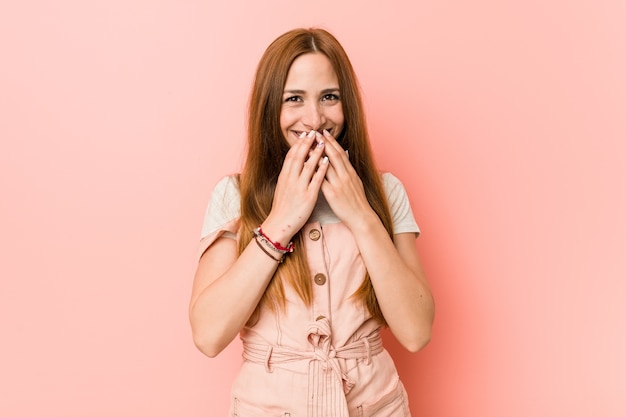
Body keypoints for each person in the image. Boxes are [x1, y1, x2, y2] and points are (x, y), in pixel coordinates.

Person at [189, 27, 435, 417]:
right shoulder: (234, 195)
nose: (315, 117)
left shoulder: (386, 192)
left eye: (329, 97)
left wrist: (361, 216)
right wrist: (281, 221)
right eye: (294, 99)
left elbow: (416, 331)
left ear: (347, 104)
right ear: (271, 109)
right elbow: (208, 335)